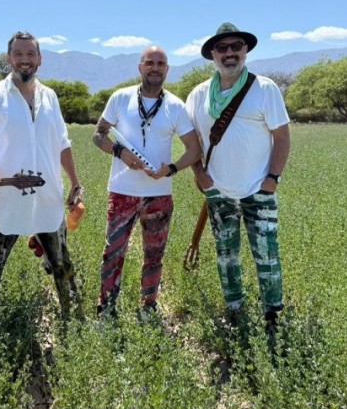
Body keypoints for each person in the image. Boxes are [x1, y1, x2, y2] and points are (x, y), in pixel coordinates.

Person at [0, 31, 84, 327]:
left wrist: (75, 182)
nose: (25, 60)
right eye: (18, 54)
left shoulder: (50, 97)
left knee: (62, 263)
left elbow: (63, 142)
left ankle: (75, 321)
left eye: (31, 54)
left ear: (40, 59)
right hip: (4, 196)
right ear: (9, 59)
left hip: (48, 195)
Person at [186, 23, 291, 328]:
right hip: (218, 192)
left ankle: (273, 313)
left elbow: (282, 137)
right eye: (223, 48)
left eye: (237, 46)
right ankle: (235, 310)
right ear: (213, 55)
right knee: (226, 255)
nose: (230, 53)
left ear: (245, 51)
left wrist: (272, 179)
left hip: (259, 190)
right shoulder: (198, 95)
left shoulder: (265, 88)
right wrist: (200, 174)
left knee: (267, 254)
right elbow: (192, 142)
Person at [91, 46, 201, 319]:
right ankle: (106, 309)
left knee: (154, 255)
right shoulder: (120, 98)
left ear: (167, 69)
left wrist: (171, 169)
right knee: (113, 252)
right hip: (122, 192)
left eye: (161, 63)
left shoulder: (176, 106)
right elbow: (98, 135)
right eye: (149, 62)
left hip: (159, 195)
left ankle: (148, 308)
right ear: (140, 67)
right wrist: (120, 152)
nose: (155, 67)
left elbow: (194, 149)